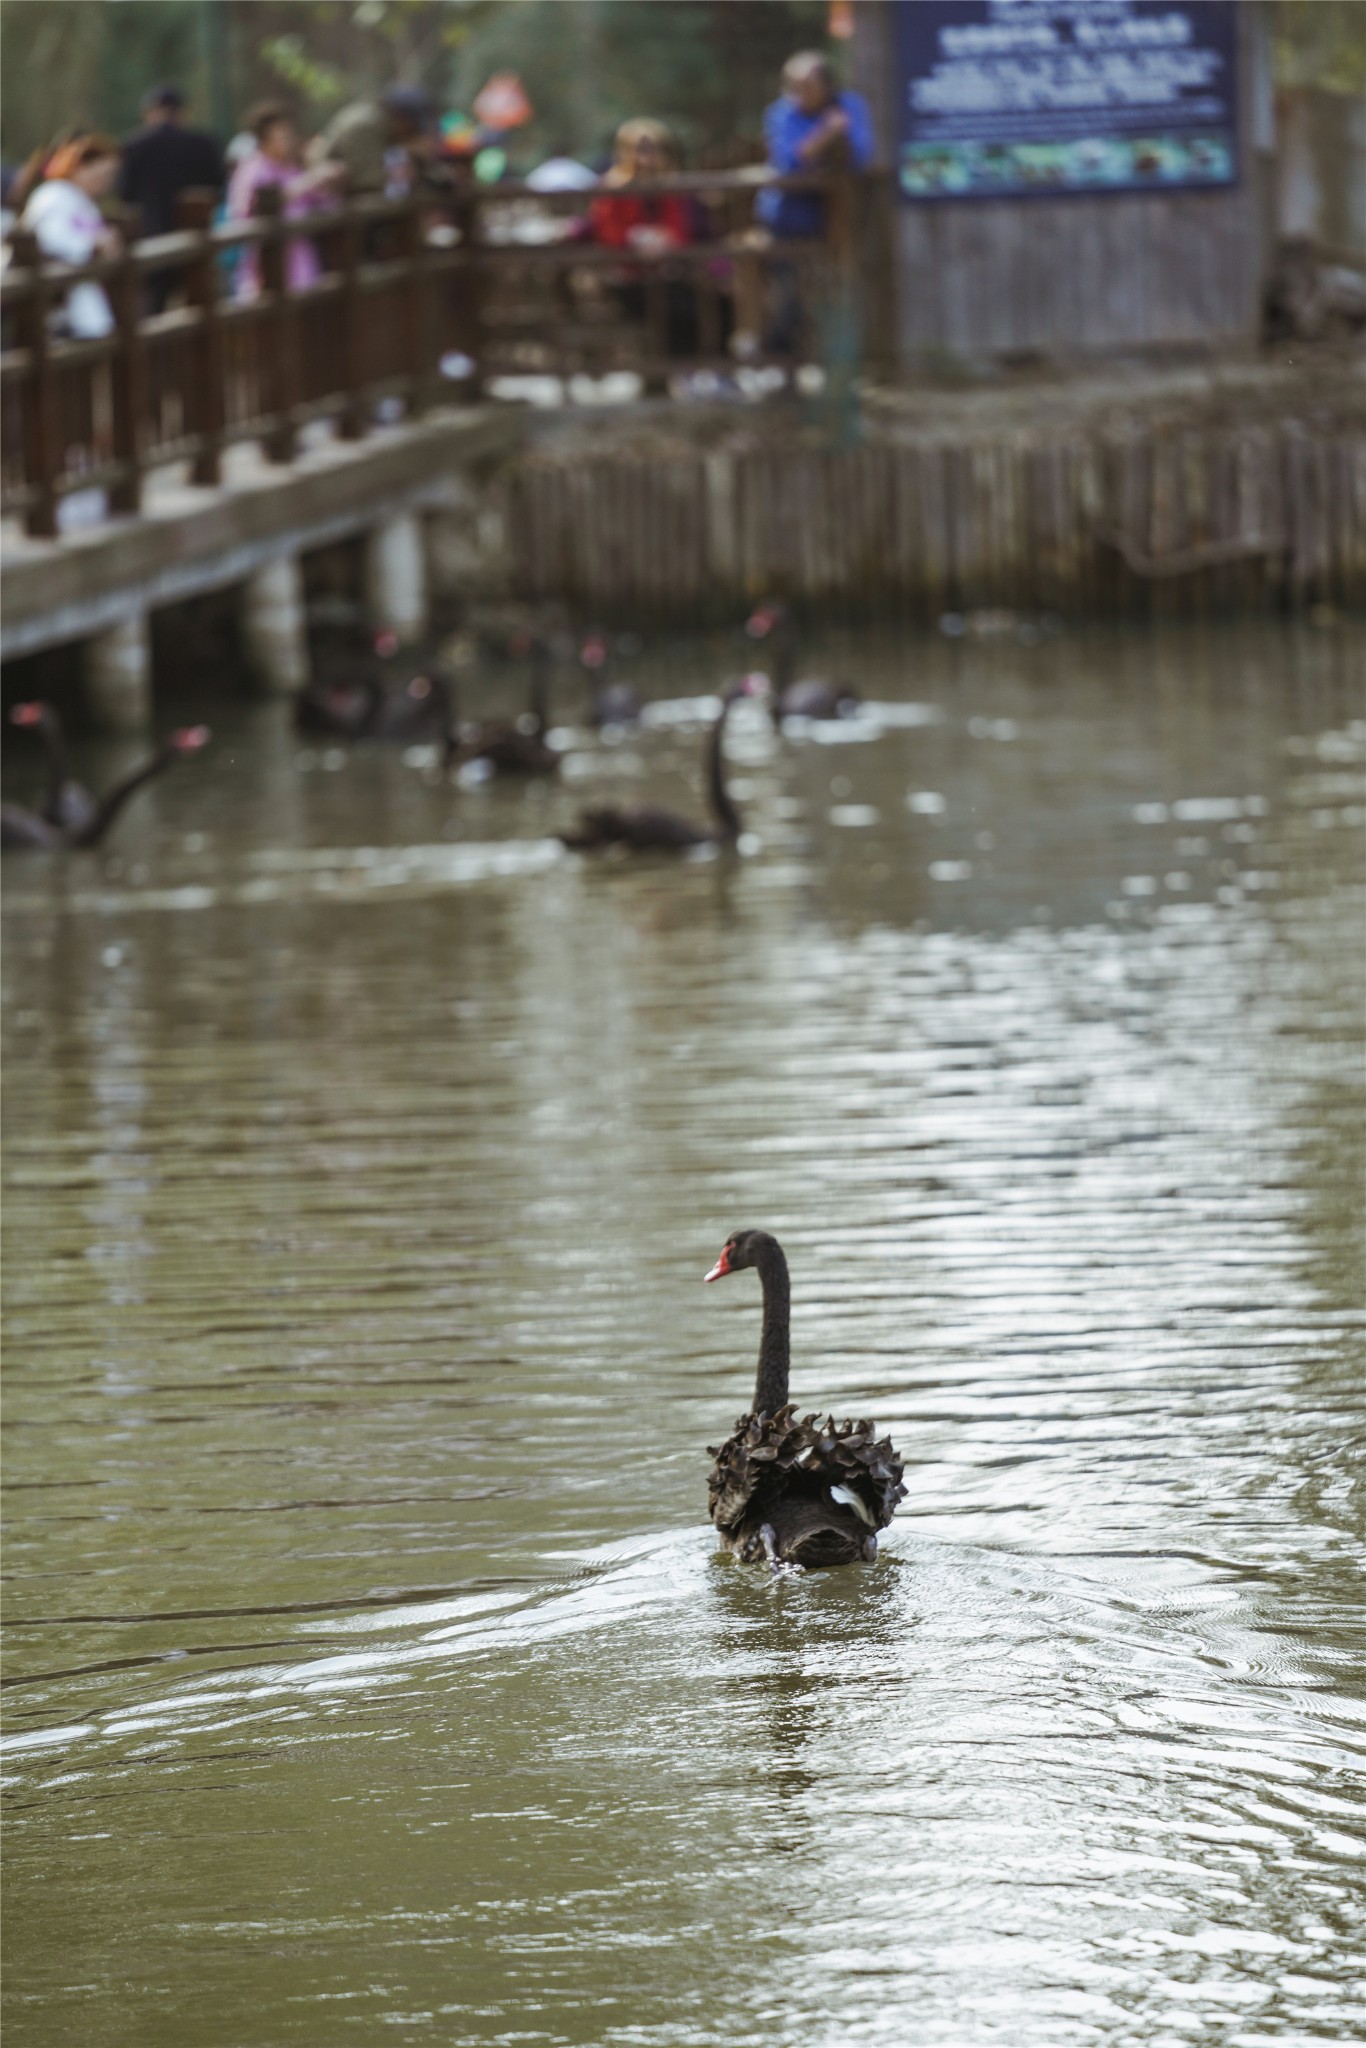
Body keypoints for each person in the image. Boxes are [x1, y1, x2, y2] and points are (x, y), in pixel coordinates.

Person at [226, 103, 343, 298]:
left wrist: (326, 180)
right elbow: (247, 210)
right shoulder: (252, 171)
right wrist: (306, 183)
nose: (288, 141)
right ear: (264, 139)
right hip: (267, 259)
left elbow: (324, 203)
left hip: (300, 256)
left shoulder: (293, 168)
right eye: (281, 136)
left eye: (289, 135)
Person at [757, 53, 873, 240]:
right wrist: (825, 135)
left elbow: (860, 156)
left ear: (827, 85)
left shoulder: (849, 105)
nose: (800, 93)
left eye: (808, 86)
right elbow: (786, 165)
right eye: (794, 87)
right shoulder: (781, 113)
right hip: (791, 211)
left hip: (847, 210)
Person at [20, 134, 122, 337]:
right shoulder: (53, 196)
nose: (104, 184)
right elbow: (53, 242)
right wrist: (96, 245)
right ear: (78, 168)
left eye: (108, 178)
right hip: (59, 308)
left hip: (80, 305)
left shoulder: (81, 200)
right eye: (99, 176)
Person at [117, 83, 223, 240]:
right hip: (197, 234)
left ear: (149, 112)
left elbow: (125, 193)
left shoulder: (134, 145)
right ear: (182, 112)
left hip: (151, 235)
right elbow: (217, 183)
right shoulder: (203, 143)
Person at [314, 83, 445, 200]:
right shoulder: (365, 126)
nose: (413, 133)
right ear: (400, 118)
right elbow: (370, 181)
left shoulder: (382, 126)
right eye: (413, 126)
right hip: (325, 199)